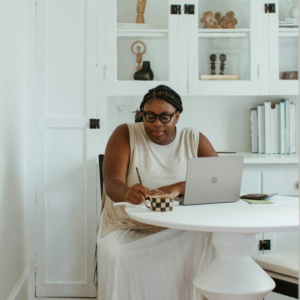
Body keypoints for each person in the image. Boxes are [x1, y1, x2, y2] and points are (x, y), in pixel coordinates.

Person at [97, 85, 218, 300]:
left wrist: (178, 187)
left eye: (165, 117)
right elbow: (111, 182)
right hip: (129, 224)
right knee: (120, 253)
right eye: (150, 116)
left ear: (177, 116)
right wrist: (127, 193)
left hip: (180, 225)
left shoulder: (193, 138)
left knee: (209, 241)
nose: (157, 124)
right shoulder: (125, 133)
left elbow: (218, 181)